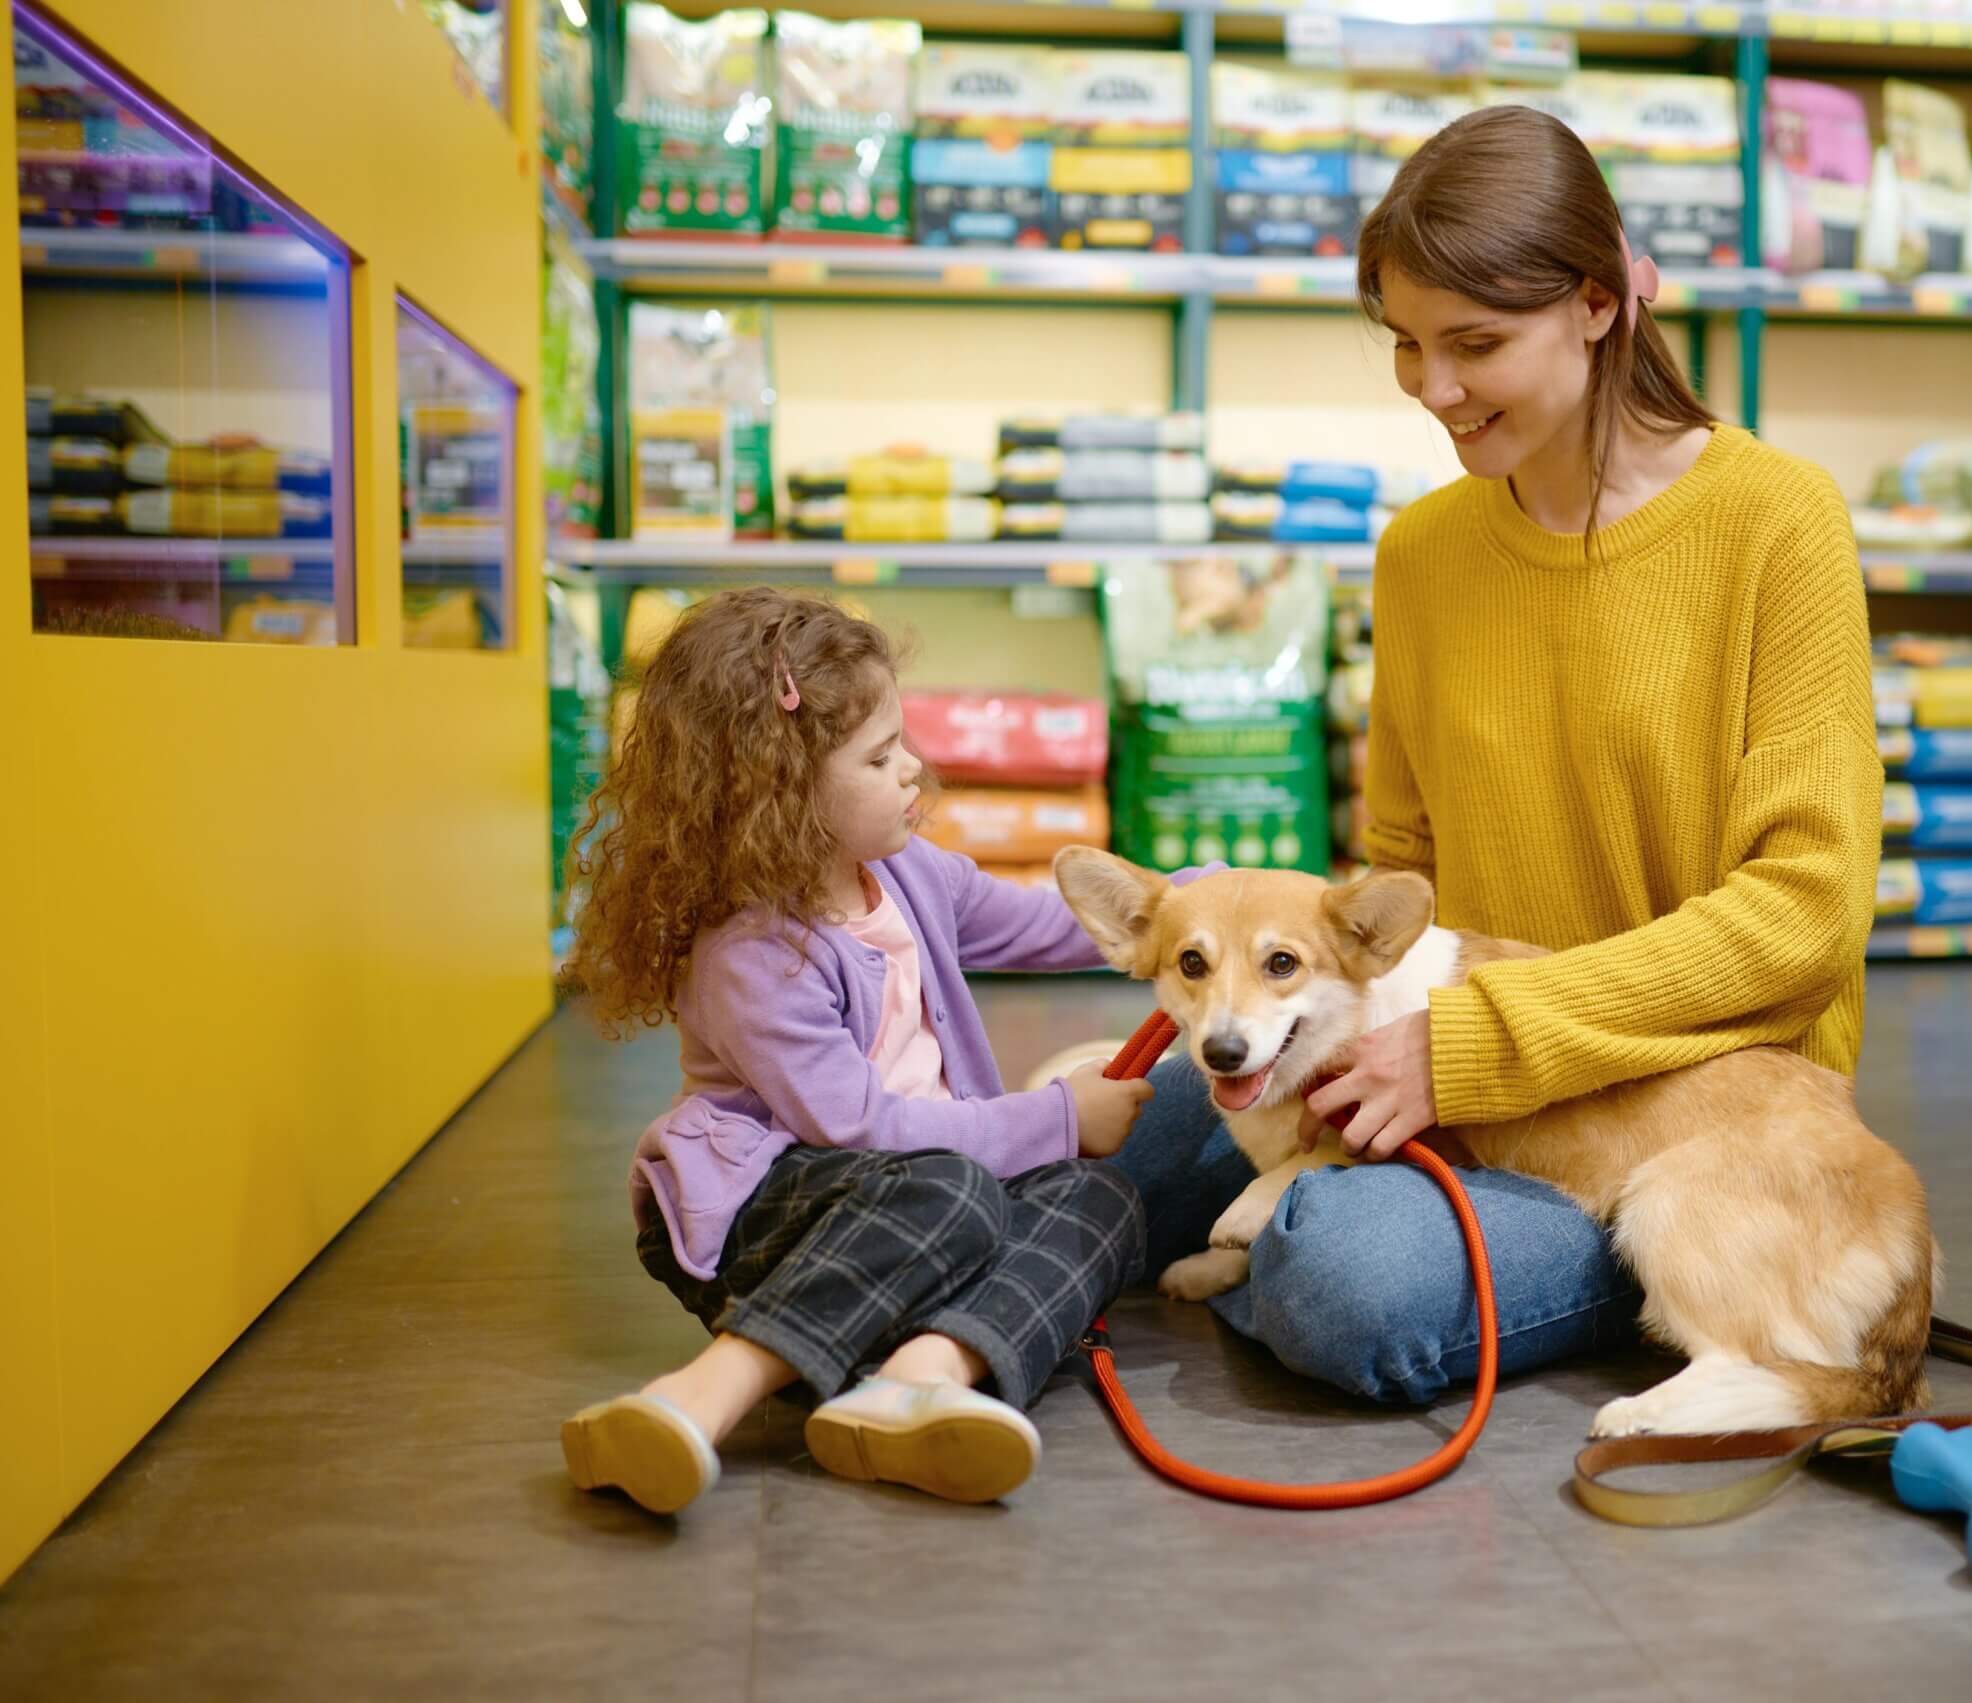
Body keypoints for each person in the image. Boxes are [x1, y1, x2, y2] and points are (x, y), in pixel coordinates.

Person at [1110, 105, 1884, 1404]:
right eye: (1409, 347)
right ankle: (908, 1328)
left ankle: (1673, 1280)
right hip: (1443, 1070)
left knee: (1347, 1284)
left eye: (1476, 345)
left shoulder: (1777, 522)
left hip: (1673, 1120)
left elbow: (1805, 917)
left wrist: (1475, 1043)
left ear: (1599, 302)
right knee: (1122, 1140)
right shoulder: (1422, 555)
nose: (1436, 388)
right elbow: (1402, 873)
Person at [557, 588, 1154, 1514]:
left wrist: (1206, 902)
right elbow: (862, 1128)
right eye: (880, 757)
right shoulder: (753, 950)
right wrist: (1063, 1114)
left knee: (1099, 1197)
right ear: (778, 796)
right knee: (950, 1185)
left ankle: (916, 1379)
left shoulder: (908, 872)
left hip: (909, 1194)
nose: (915, 768)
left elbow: (1048, 924)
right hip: (768, 1216)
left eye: (902, 740)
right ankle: (707, 1390)